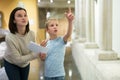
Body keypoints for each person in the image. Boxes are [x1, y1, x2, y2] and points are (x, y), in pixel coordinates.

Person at [3, 7, 41, 80]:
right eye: (19, 16)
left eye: (25, 15)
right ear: (14, 20)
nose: (23, 18)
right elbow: (18, 60)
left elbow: (33, 49)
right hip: (11, 63)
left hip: (25, 63)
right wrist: (35, 54)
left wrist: (40, 49)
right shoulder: (9, 37)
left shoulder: (32, 34)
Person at [41, 8, 74, 80]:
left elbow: (68, 34)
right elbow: (43, 58)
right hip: (48, 75)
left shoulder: (61, 40)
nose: (55, 26)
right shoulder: (45, 43)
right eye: (52, 25)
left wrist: (70, 21)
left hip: (60, 74)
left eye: (56, 25)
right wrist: (42, 50)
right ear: (47, 30)